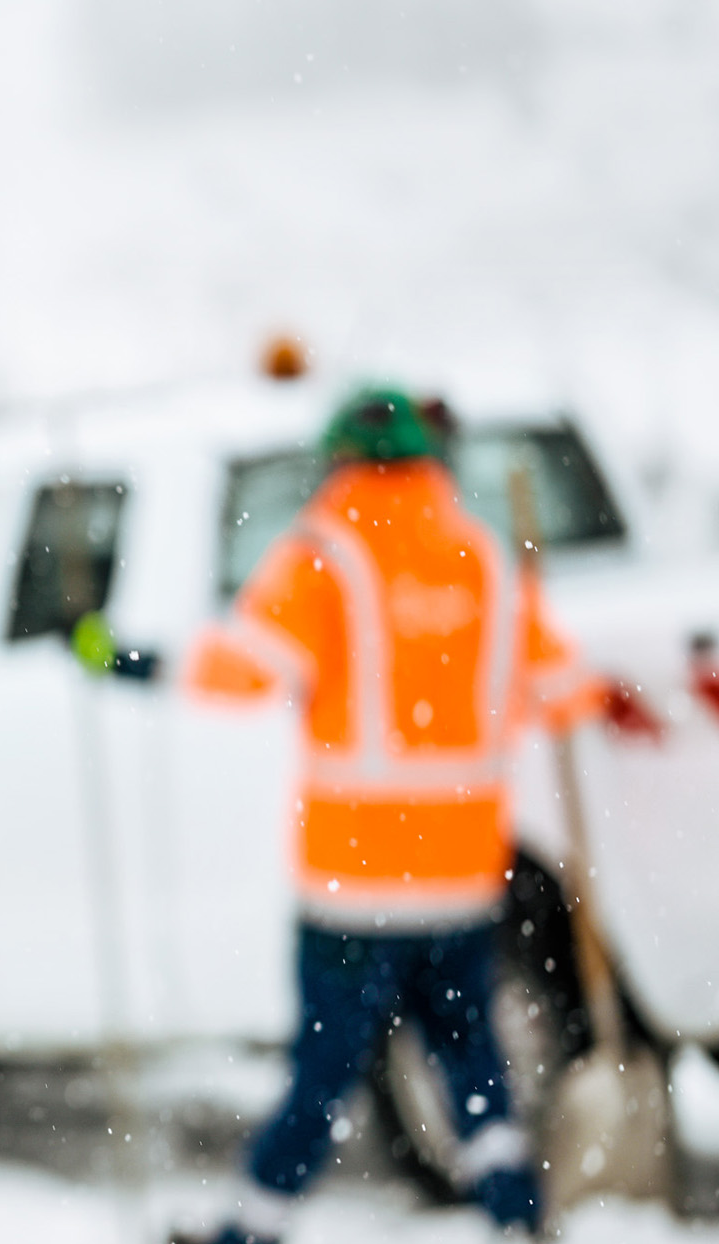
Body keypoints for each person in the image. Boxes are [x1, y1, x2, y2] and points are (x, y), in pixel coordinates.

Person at [181, 386, 633, 1242]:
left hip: (353, 875)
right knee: (469, 1055)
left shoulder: (323, 552)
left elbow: (237, 674)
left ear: (342, 459)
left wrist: (126, 657)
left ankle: (251, 1226)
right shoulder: (486, 559)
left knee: (326, 1066)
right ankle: (513, 1210)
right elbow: (565, 691)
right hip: (460, 870)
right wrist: (616, 700)